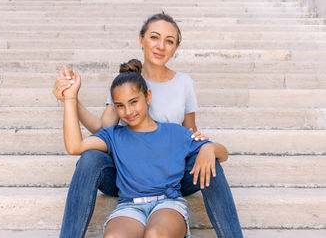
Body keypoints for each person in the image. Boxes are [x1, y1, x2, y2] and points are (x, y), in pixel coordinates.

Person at [54, 13, 243, 238]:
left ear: (175, 47)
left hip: (171, 172)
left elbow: (190, 131)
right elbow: (103, 129)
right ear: (141, 39)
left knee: (210, 161)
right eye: (154, 37)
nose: (161, 46)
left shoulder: (183, 85)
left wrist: (207, 148)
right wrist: (71, 100)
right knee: (90, 158)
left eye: (169, 41)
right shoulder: (125, 83)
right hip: (129, 174)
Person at [63, 59, 228, 238]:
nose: (128, 111)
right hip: (129, 207)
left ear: (148, 96)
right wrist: (70, 98)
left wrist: (209, 148)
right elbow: (75, 147)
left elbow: (224, 153)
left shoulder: (174, 132)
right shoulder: (113, 135)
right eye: (120, 105)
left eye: (133, 102)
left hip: (167, 204)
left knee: (155, 234)